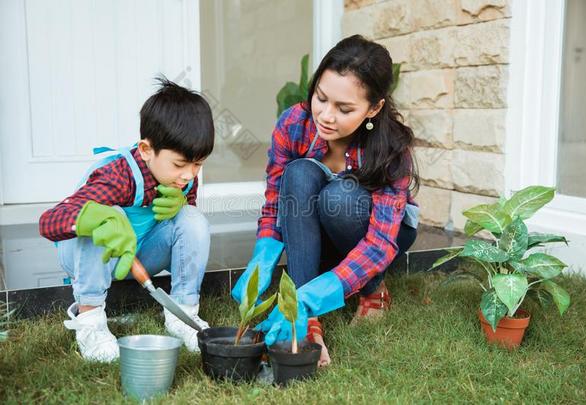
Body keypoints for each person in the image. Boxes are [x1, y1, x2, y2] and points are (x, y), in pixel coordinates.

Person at [232, 35, 419, 367]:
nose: (326, 116)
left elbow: (379, 243)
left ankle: (372, 290)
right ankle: (303, 322)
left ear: (374, 108)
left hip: (376, 235)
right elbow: (277, 200)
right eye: (321, 97)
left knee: (341, 197)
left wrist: (315, 297)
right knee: (299, 173)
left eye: (344, 108)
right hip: (318, 229)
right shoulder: (294, 123)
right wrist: (262, 259)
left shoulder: (390, 149)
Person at [39, 78, 215, 362]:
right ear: (146, 150)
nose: (190, 175)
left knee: (191, 218)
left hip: (139, 254)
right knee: (110, 213)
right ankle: (91, 321)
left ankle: (182, 314)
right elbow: (49, 222)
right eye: (181, 165)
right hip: (93, 259)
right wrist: (96, 217)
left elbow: (185, 233)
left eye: (199, 164)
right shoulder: (117, 175)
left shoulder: (183, 176)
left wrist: (184, 202)